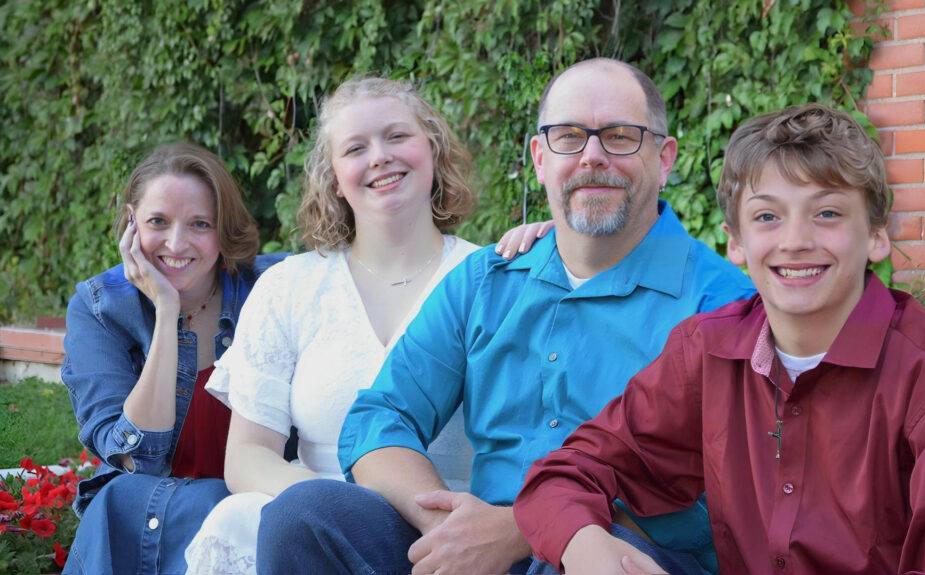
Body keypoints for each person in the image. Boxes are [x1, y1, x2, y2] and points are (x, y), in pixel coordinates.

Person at [257, 57, 755, 575]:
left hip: (615, 551)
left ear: (665, 157)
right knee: (303, 517)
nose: (591, 157)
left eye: (620, 136)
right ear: (540, 159)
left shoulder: (720, 304)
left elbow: (711, 500)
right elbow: (380, 417)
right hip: (471, 546)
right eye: (568, 137)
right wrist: (451, 530)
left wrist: (520, 531)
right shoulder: (486, 280)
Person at [513, 104, 925, 574]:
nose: (795, 240)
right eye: (768, 216)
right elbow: (564, 473)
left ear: (877, 235)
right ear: (736, 240)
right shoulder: (708, 352)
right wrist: (587, 547)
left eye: (828, 214)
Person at [182, 76, 481, 574]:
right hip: (314, 529)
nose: (380, 156)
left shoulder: (493, 278)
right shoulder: (291, 288)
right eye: (356, 148)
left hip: (456, 526)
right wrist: (338, 509)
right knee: (240, 516)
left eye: (397, 136)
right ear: (334, 178)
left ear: (434, 150)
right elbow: (248, 456)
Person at [61, 142, 287, 574]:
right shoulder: (99, 307)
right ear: (131, 223)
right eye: (158, 222)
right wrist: (167, 313)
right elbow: (137, 461)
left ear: (223, 229)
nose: (176, 243)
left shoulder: (275, 289)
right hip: (143, 528)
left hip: (252, 520)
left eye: (199, 223)